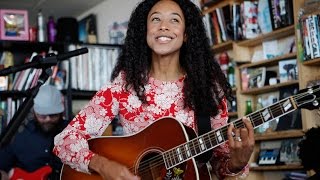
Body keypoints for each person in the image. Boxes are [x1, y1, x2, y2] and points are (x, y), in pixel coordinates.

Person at [53, 0, 255, 179]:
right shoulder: (124, 85)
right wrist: (105, 166)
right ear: (145, 31)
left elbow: (217, 163)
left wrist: (236, 163)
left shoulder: (208, 89)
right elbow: (64, 141)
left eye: (174, 20)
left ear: (186, 35)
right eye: (155, 19)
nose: (164, 26)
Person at [0, 84, 67, 180]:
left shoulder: (74, 130)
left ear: (61, 112)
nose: (48, 119)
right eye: (42, 115)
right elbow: (2, 169)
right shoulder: (18, 135)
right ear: (34, 111)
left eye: (53, 115)